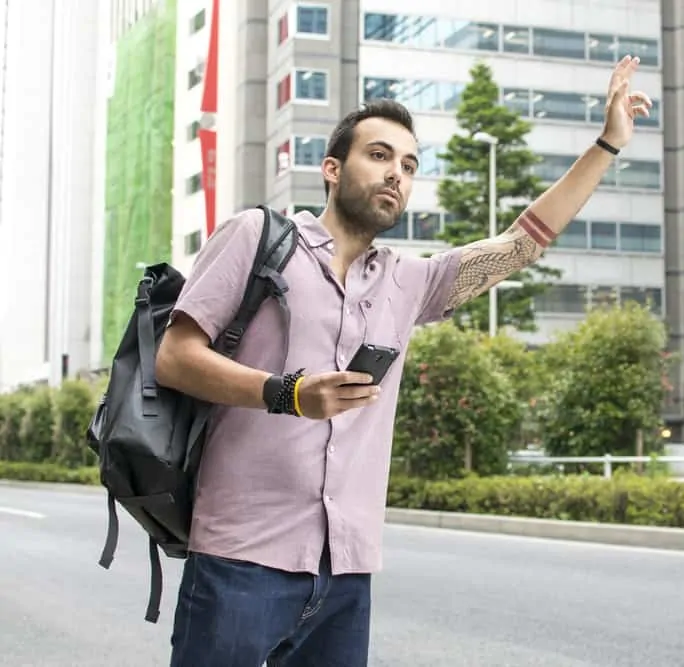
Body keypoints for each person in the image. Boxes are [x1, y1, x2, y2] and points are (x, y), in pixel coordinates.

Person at [154, 55, 652, 666]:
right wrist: (289, 394)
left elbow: (521, 244)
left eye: (410, 166)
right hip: (241, 557)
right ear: (332, 169)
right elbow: (175, 359)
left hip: (344, 571)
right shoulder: (256, 237)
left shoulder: (406, 282)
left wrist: (607, 144)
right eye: (380, 155)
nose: (397, 174)